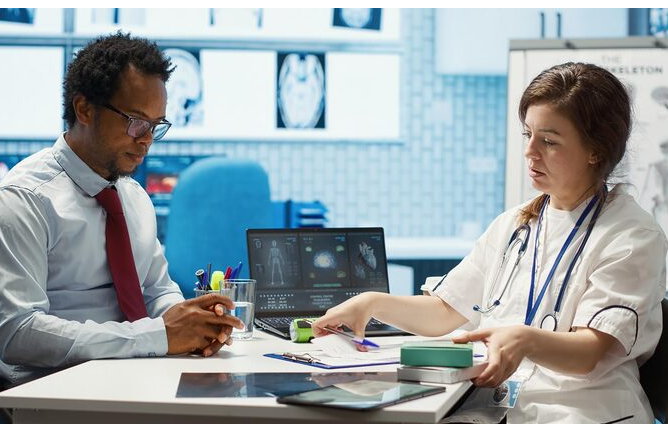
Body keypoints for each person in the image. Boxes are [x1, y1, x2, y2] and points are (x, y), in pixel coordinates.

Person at [313, 62, 667, 423]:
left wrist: (525, 340)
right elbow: (445, 311)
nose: (530, 151)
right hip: (503, 407)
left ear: (596, 150)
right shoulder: (515, 224)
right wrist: (372, 303)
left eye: (549, 141)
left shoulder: (632, 236)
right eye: (527, 134)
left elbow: (589, 353)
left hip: (581, 412)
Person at [0, 32, 243, 388]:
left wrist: (195, 323)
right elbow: (17, 333)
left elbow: (157, 291)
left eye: (156, 126)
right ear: (84, 109)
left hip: (139, 379)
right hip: (53, 391)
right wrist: (157, 336)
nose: (146, 139)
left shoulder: (133, 197)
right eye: (136, 121)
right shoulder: (24, 200)